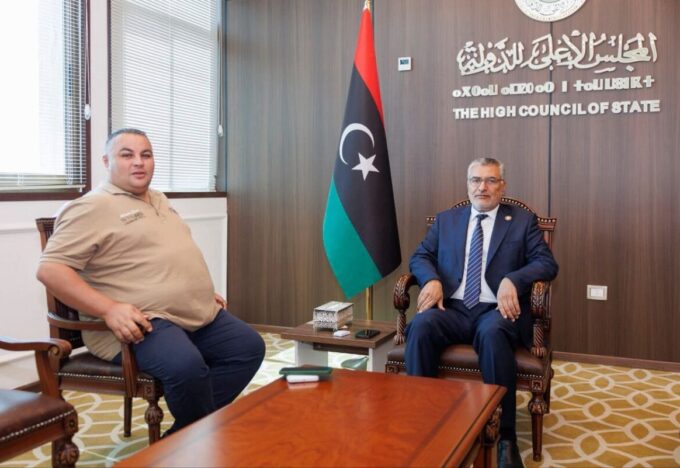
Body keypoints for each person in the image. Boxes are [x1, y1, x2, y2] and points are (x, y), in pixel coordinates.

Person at [37, 128, 265, 436]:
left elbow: (163, 255)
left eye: (146, 155)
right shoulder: (91, 207)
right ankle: (195, 442)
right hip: (138, 323)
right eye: (127, 155)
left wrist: (197, 291)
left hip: (192, 314)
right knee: (186, 367)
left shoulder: (158, 199)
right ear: (106, 161)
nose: (138, 162)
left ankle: (185, 436)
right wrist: (109, 309)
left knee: (247, 347)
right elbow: (50, 270)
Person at [405, 157, 558, 468]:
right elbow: (420, 256)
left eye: (490, 180)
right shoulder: (447, 220)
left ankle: (505, 438)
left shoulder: (521, 221)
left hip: (495, 311)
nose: (482, 187)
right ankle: (424, 423)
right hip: (452, 308)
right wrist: (431, 279)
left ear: (502, 186)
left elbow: (546, 263)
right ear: (468, 184)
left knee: (492, 333)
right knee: (421, 325)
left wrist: (513, 279)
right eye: (476, 180)